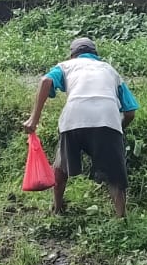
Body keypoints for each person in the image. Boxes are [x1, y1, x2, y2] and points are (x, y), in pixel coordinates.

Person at [22, 37, 138, 217]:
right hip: (107, 118)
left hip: (74, 118)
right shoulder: (111, 70)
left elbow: (45, 81)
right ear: (96, 54)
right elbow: (130, 112)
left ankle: (58, 208)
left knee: (61, 166)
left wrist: (33, 119)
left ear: (72, 55)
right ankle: (120, 217)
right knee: (115, 174)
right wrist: (117, 129)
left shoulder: (66, 66)